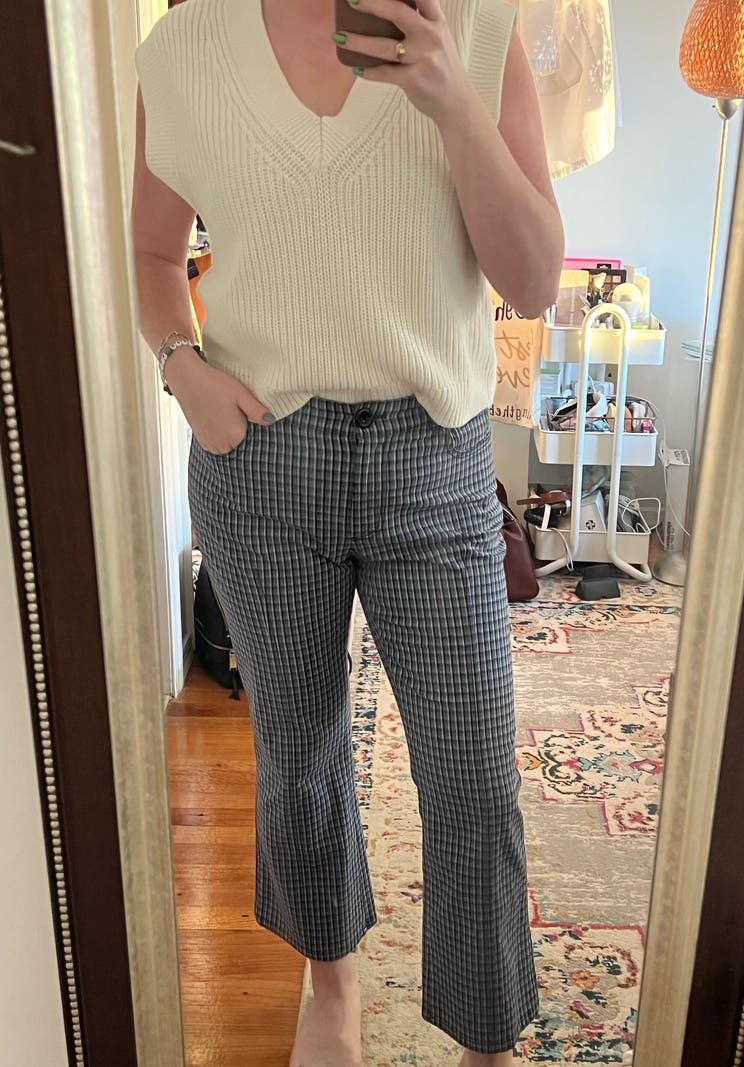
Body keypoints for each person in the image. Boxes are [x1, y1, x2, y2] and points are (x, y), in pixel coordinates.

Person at [131, 0, 563, 1062]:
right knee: (299, 756)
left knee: (472, 778)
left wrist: (450, 101)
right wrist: (182, 369)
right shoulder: (184, 47)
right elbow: (151, 251)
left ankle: (485, 1033)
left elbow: (532, 280)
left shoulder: (477, 25)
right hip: (261, 461)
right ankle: (329, 982)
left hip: (434, 460)